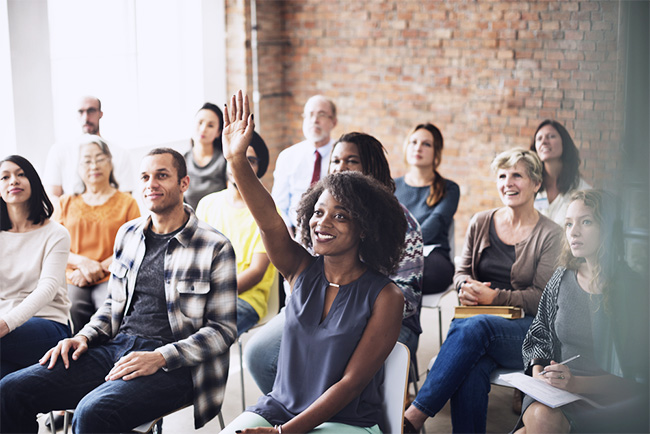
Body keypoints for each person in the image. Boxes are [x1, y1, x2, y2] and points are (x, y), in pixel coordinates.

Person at [0, 148, 237, 433]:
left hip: (176, 365)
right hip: (117, 347)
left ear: (183, 183)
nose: (152, 184)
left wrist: (160, 356)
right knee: (10, 390)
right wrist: (83, 336)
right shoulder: (129, 234)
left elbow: (223, 331)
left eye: (162, 176)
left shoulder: (215, 246)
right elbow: (113, 304)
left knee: (91, 413)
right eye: (146, 177)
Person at [221, 91, 406, 433]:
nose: (322, 222)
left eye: (340, 216)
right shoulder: (300, 269)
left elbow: (350, 384)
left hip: (345, 422)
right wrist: (236, 160)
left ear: (364, 228)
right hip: (278, 407)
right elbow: (269, 221)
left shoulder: (385, 296)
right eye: (318, 212)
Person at [244, 132, 424, 395]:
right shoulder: (322, 214)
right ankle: (298, 408)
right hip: (318, 311)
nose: (340, 167)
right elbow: (300, 272)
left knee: (332, 367)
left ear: (372, 169)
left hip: (380, 319)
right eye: (335, 160)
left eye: (351, 161)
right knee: (260, 355)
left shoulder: (401, 224)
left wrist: (340, 322)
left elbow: (405, 300)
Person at [403, 148, 563, 433]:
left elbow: (543, 297)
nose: (507, 182)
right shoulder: (480, 221)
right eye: (502, 175)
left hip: (526, 332)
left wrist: (495, 297)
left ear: (536, 183)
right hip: (475, 324)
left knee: (476, 328)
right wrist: (465, 287)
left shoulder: (550, 234)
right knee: (472, 366)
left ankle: (413, 417)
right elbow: (461, 272)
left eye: (517, 175)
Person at [514, 189, 649, 433]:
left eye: (586, 222)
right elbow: (539, 335)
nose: (573, 232)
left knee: (533, 427)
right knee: (541, 417)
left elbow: (637, 379)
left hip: (607, 402)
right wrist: (538, 375)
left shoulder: (632, 288)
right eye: (568, 224)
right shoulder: (561, 277)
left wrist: (576, 384)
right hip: (557, 393)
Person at [53, 135, 140, 332]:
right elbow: (54, 246)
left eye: (100, 159)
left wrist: (97, 268)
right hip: (74, 275)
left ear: (110, 163)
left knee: (109, 309)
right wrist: (83, 265)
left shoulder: (127, 202)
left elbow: (134, 245)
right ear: (78, 168)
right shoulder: (65, 202)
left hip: (113, 274)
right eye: (87, 161)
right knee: (72, 307)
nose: (94, 166)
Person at [196, 131, 275, 335]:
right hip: (204, 294)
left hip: (245, 299)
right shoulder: (207, 204)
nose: (241, 165)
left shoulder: (268, 213)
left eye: (250, 160)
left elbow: (256, 272)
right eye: (237, 158)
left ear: (260, 167)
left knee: (202, 334)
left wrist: (213, 294)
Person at [0, 155, 71, 378]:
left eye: (21, 174)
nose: (13, 181)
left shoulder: (56, 233)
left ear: (34, 182)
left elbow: (47, 289)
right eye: (5, 176)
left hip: (48, 323)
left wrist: (6, 324)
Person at [394, 123, 460, 294]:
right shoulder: (391, 186)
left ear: (436, 151)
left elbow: (436, 223)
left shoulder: (449, 188)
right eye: (413, 142)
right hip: (395, 254)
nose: (418, 148)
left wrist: (405, 247)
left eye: (426, 144)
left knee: (414, 273)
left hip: (432, 256)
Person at [43, 95, 135, 197]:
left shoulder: (120, 153)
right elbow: (52, 197)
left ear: (100, 114)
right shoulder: (59, 151)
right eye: (81, 112)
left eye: (91, 111)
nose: (86, 117)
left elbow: (126, 200)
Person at [272, 95, 337, 231]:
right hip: (295, 233)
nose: (315, 120)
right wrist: (287, 235)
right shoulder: (288, 156)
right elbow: (278, 204)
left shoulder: (340, 155)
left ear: (333, 122)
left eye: (322, 115)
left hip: (331, 231)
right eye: (310, 115)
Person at [531, 119, 590, 226]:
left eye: (551, 136)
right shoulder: (530, 187)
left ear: (564, 143)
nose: (544, 142)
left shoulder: (582, 191)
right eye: (539, 138)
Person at [183, 102, 227, 209]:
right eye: (200, 123)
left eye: (210, 125)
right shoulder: (182, 161)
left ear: (218, 132)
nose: (203, 129)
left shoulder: (224, 160)